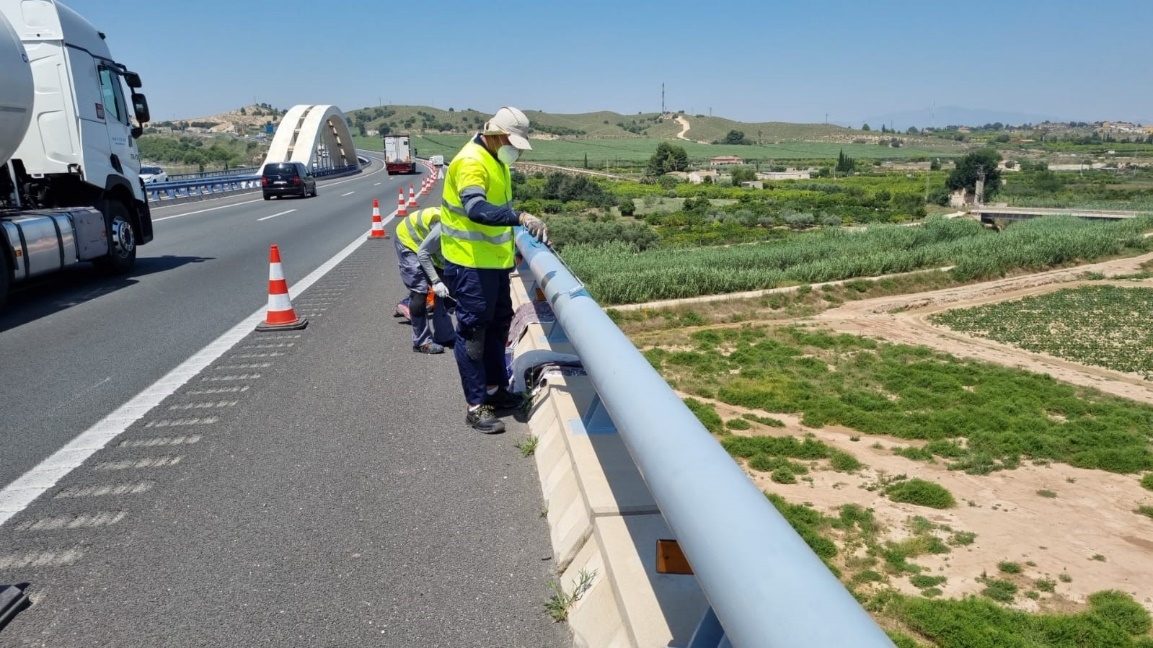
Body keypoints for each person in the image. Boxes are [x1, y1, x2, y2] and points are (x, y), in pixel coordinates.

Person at [441, 106, 548, 434]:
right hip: (470, 263)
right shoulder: (472, 162)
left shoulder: (496, 161)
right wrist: (520, 217)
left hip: (494, 263)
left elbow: (497, 210)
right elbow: (477, 210)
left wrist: (512, 247)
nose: (513, 148)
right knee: (473, 333)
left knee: (498, 327)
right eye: (511, 141)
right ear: (495, 134)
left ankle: (496, 391)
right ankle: (476, 407)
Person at [394, 206, 455, 353]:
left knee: (444, 291)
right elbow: (423, 253)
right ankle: (421, 342)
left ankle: (445, 336)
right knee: (420, 291)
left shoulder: (466, 233)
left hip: (428, 246)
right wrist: (435, 280)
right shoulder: (444, 227)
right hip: (408, 241)